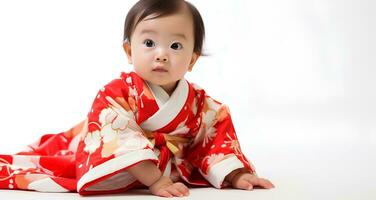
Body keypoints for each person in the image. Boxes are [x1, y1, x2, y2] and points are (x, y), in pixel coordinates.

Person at [0, 0, 274, 197]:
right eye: (149, 43)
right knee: (51, 161)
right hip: (120, 159)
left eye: (175, 46)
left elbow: (216, 140)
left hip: (163, 164)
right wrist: (156, 181)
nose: (161, 54)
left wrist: (235, 174)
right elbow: (119, 139)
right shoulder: (115, 94)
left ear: (192, 59)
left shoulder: (200, 104)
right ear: (129, 51)